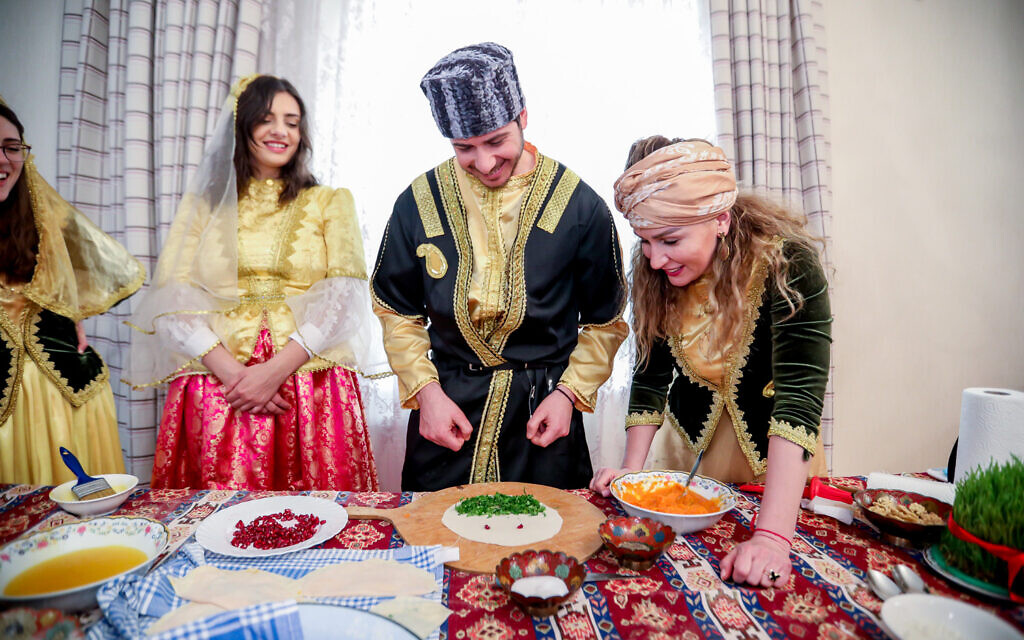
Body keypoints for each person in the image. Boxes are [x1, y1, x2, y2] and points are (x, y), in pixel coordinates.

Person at [372, 43, 628, 491]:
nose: (485, 163)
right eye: (464, 149)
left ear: (523, 117)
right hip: (445, 411)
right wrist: (426, 393)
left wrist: (569, 395)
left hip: (545, 413)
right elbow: (397, 310)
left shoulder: (580, 207)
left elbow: (605, 322)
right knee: (437, 546)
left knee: (549, 552)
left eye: (496, 141)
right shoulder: (418, 201)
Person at [125, 75, 388, 491]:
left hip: (311, 382)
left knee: (322, 523)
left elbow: (345, 297)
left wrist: (272, 373)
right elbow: (172, 299)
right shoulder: (202, 206)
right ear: (242, 125)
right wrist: (235, 376)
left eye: (292, 121)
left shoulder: (330, 201)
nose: (281, 131)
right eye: (267, 119)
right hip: (219, 385)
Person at [590, 137, 832, 588]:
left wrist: (773, 538)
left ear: (720, 218)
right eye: (644, 241)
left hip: (776, 458)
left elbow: (799, 399)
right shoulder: (652, 270)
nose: (655, 259)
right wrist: (633, 471)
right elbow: (650, 374)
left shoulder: (788, 264)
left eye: (669, 240)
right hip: (691, 456)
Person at [0, 99, 144, 485]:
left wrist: (74, 321)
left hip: (67, 394)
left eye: (11, 147)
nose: (2, 159)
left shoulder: (46, 219)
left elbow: (74, 286)